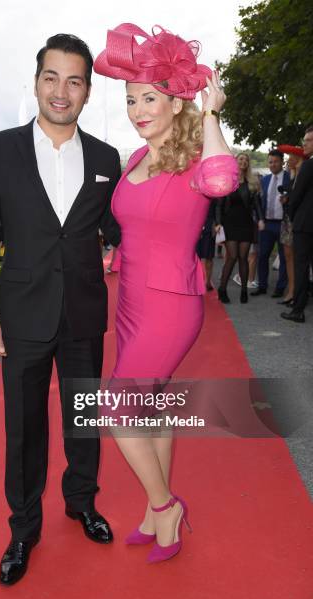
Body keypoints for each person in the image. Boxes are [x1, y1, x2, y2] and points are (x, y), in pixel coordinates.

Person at [0, 33, 121, 586]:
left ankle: (81, 503)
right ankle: (23, 528)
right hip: (22, 316)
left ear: (87, 90)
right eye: (51, 78)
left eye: (74, 81)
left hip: (83, 313)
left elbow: (117, 227)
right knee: (24, 427)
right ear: (35, 83)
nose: (61, 91)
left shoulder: (106, 158)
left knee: (83, 420)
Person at [94, 23, 238, 563]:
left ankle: (165, 505)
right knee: (148, 409)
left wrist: (213, 114)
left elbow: (224, 183)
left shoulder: (197, 158)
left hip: (171, 304)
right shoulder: (134, 159)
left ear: (177, 102)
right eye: (131, 99)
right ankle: (159, 522)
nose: (137, 109)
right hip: (130, 300)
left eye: (149, 98)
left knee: (116, 409)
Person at [215, 153, 264, 303]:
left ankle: (244, 290)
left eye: (246, 160)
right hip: (230, 224)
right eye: (241, 159)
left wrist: (261, 219)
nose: (243, 161)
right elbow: (219, 205)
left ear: (248, 164)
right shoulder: (227, 181)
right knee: (233, 256)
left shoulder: (252, 182)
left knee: (244, 258)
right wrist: (218, 223)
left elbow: (256, 204)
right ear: (235, 162)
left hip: (246, 224)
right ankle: (222, 289)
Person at [281, 126, 313, 323]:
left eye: (308, 140)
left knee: (301, 266)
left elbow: (296, 196)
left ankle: (298, 310)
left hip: (304, 224)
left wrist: (292, 215)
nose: (304, 144)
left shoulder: (309, 165)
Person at [251, 149, 290, 297]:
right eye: (270, 162)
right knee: (262, 256)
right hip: (266, 224)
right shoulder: (265, 180)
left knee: (284, 257)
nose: (273, 164)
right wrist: (259, 219)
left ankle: (280, 287)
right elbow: (258, 202)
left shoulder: (289, 179)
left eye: (276, 161)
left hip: (283, 224)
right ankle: (262, 286)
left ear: (282, 162)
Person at [276, 144, 307, 305]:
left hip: (300, 221)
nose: (287, 160)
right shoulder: (292, 174)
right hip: (288, 219)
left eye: (290, 157)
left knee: (298, 258)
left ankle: (297, 292)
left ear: (298, 158)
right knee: (288, 257)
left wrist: (289, 198)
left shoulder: (305, 172)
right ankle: (292, 290)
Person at [196, 201, 217, 291]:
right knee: (195, 257)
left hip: (209, 224)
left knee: (209, 256)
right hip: (194, 224)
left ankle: (207, 281)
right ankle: (195, 280)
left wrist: (216, 223)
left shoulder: (212, 190)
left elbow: (217, 207)